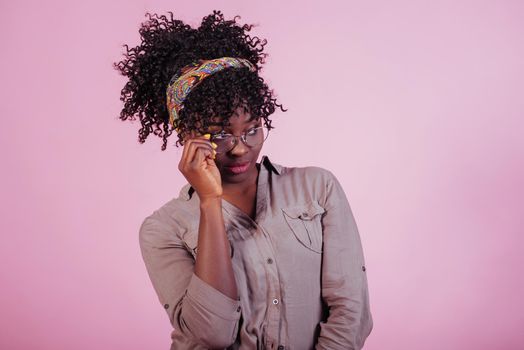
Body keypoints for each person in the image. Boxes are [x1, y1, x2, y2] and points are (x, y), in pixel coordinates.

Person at [114, 10, 373, 350]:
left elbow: (351, 311)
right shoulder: (163, 229)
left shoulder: (317, 189)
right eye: (220, 134)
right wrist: (209, 202)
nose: (240, 148)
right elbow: (211, 335)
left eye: (252, 129)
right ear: (187, 133)